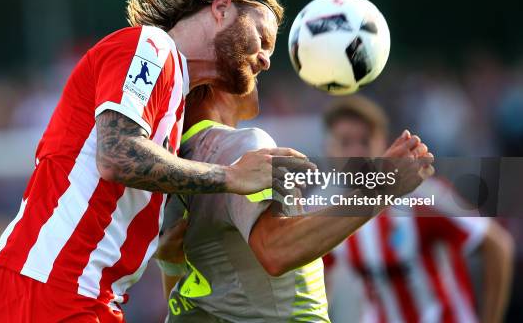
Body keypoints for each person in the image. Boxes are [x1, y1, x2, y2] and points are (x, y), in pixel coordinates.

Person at [0, 0, 313, 323]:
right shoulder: (151, 46)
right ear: (221, 8)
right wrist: (232, 177)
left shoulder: (171, 102)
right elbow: (118, 155)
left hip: (75, 290)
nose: (266, 59)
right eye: (263, 36)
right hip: (53, 284)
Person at [155, 84, 434, 322]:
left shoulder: (178, 164)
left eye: (363, 140)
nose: (263, 61)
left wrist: (170, 266)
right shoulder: (247, 145)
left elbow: (185, 300)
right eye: (254, 45)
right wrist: (383, 188)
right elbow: (276, 250)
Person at [322, 95, 514, 323]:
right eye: (345, 142)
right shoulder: (326, 209)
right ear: (329, 148)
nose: (355, 152)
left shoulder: (423, 195)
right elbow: (321, 280)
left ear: (382, 144)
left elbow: (497, 244)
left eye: (364, 141)